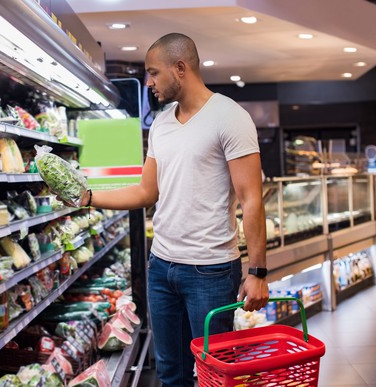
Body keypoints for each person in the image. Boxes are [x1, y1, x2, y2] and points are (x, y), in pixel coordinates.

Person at [78, 33, 269, 386]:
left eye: (153, 73)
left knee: (215, 373)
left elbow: (251, 199)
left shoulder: (230, 117)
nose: (148, 82)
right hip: (162, 266)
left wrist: (257, 270)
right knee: (171, 374)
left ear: (180, 68)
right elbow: (145, 191)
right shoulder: (162, 124)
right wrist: (87, 197)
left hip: (210, 271)